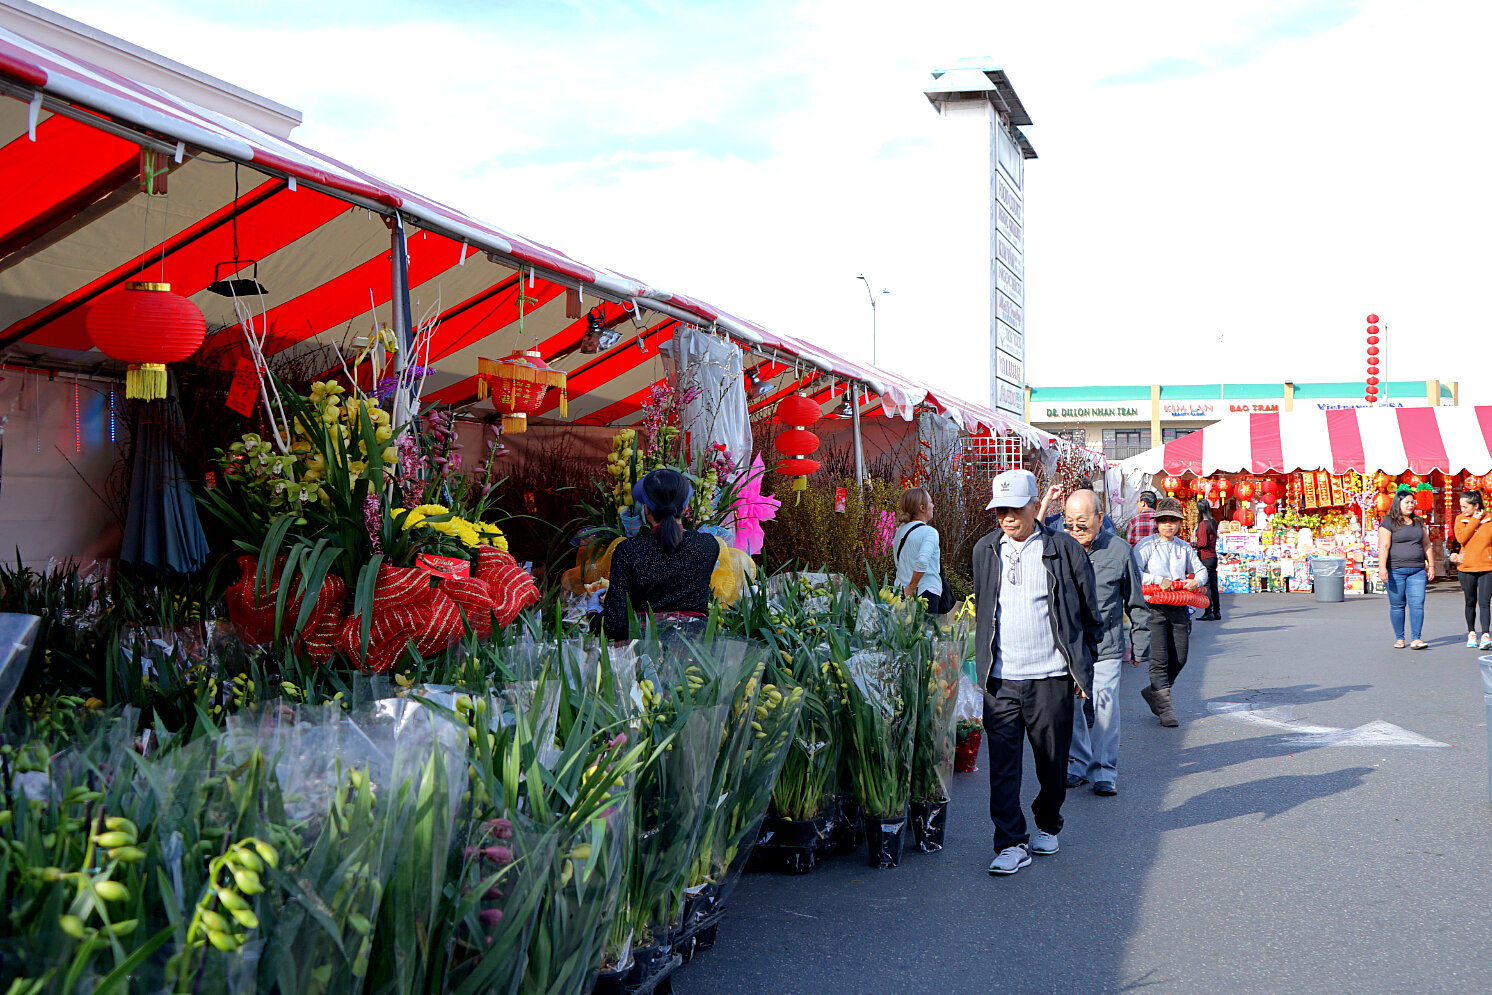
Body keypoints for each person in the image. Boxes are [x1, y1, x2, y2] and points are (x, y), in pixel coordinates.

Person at [972, 469, 1103, 876]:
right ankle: (1010, 841)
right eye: (1000, 510)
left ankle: (1048, 823)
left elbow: (1089, 615)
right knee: (1003, 766)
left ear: (1034, 506)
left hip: (1051, 676)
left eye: (1015, 508)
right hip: (1002, 678)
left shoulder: (1064, 550)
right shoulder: (985, 550)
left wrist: (1082, 668)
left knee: (1052, 763)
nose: (1007, 517)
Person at [1061, 489, 1146, 797]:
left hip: (1107, 645)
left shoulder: (1120, 551)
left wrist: (1140, 642)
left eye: (1081, 521)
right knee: (1070, 707)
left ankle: (1104, 770)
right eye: (1069, 521)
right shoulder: (1059, 546)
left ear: (1100, 518)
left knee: (1105, 707)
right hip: (1069, 646)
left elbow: (1136, 600)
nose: (1074, 529)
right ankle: (1078, 763)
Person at [602, 468, 719, 640]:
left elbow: (614, 625)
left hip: (643, 654)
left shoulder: (629, 550)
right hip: (696, 655)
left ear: (646, 509)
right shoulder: (707, 545)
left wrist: (592, 613)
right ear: (686, 507)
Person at [1132, 496, 1208, 728]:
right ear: (1157, 522)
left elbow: (1201, 570)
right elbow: (1134, 572)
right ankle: (1165, 707)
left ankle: (1155, 690)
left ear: (1179, 523)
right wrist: (1157, 580)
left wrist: (1195, 582)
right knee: (1159, 659)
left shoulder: (1183, 547)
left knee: (1180, 657)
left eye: (1173, 521)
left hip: (1179, 606)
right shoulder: (1145, 545)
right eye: (1163, 520)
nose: (1168, 525)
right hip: (1152, 607)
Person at [1377, 489, 1434, 650]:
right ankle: (1400, 638)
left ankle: (1416, 638)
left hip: (1417, 570)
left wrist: (1432, 565)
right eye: (1406, 502)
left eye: (1412, 502)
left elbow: (1427, 544)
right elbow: (1384, 546)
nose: (1410, 505)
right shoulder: (1388, 522)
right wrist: (1382, 568)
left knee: (1417, 604)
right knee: (1397, 605)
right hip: (1395, 570)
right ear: (1398, 503)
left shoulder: (1418, 522)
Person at [1452, 489, 1492, 650]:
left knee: (1485, 602)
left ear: (1476, 505)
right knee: (1470, 601)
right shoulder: (1460, 519)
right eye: (1461, 506)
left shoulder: (1489, 519)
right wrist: (1474, 521)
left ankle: (1485, 635)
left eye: (1465, 506)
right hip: (1467, 566)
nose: (1462, 510)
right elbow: (1461, 538)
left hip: (1487, 566)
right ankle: (1471, 633)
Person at [893, 486, 943, 613]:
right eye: (930, 502)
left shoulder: (900, 531)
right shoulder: (929, 532)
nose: (933, 506)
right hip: (925, 593)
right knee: (925, 632)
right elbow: (922, 561)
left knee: (904, 632)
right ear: (922, 508)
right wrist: (912, 586)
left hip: (900, 592)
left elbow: (899, 563)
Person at [1038, 478, 1115, 534]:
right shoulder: (1059, 520)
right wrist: (1047, 499)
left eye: (1082, 521)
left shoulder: (1099, 519)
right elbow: (1036, 527)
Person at [1193, 497, 1221, 621]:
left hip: (1205, 556)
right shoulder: (1213, 521)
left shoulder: (1203, 525)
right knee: (1213, 585)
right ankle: (1217, 611)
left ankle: (1208, 611)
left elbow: (1203, 543)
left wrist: (1193, 544)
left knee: (1208, 585)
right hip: (1213, 555)